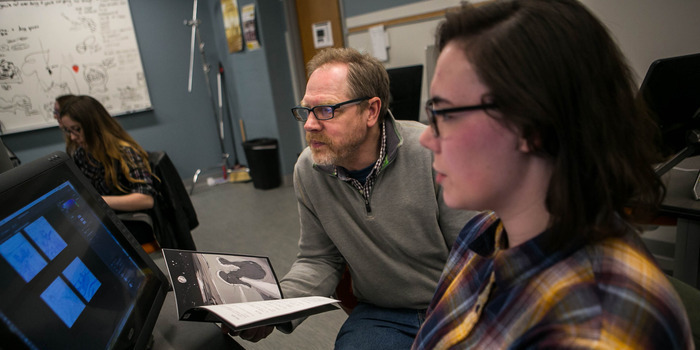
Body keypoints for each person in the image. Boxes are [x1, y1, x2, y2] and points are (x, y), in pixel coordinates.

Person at [411, 1, 693, 349]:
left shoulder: (595, 332)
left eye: (445, 114)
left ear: (533, 125)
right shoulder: (483, 234)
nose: (427, 137)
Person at [230, 48, 475, 347]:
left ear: (371, 111)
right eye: (306, 110)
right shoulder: (310, 169)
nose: (309, 124)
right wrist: (272, 306)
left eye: (326, 110)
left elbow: (475, 254)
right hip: (384, 312)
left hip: (456, 305)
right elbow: (318, 259)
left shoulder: (433, 154)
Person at [59, 95, 158, 244]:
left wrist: (97, 200)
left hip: (132, 220)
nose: (72, 137)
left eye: (76, 129)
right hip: (106, 217)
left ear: (93, 125)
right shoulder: (81, 154)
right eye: (68, 131)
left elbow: (146, 199)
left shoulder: (124, 152)